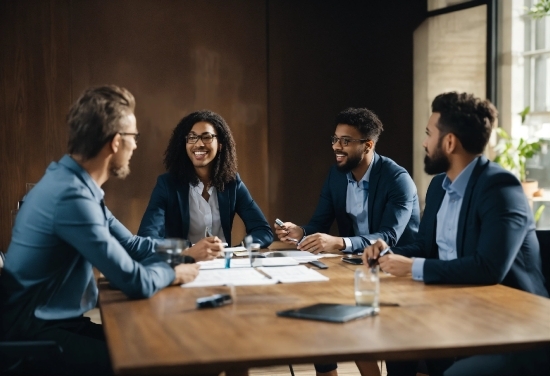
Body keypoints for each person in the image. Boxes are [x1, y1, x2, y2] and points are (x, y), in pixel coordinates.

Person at [0, 86, 199, 376]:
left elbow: (129, 245)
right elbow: (133, 280)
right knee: (159, 360)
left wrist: (181, 253)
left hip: (52, 324)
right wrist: (174, 272)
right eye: (134, 138)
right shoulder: (71, 197)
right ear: (116, 142)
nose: (135, 146)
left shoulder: (74, 184)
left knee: (160, 346)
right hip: (34, 338)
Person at [364, 92, 549, 376]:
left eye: (429, 134)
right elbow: (426, 245)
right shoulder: (439, 186)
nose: (424, 142)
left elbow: (488, 268)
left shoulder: (500, 188)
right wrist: (389, 253)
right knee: (394, 334)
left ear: (449, 142)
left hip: (514, 330)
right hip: (456, 310)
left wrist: (412, 267)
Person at [275, 107, 420, 376]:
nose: (337, 147)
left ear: (368, 145)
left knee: (395, 355)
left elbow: (388, 237)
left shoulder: (397, 180)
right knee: (317, 307)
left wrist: (340, 243)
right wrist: (300, 232)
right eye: (335, 139)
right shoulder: (336, 176)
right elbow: (319, 223)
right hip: (354, 266)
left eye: (345, 141)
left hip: (396, 267)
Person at [138, 110, 273, 258]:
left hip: (224, 267)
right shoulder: (167, 184)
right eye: (192, 137)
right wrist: (187, 251)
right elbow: (147, 238)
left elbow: (262, 230)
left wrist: (236, 251)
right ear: (184, 144)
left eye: (207, 137)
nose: (199, 144)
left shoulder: (232, 183)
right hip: (183, 266)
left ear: (220, 144)